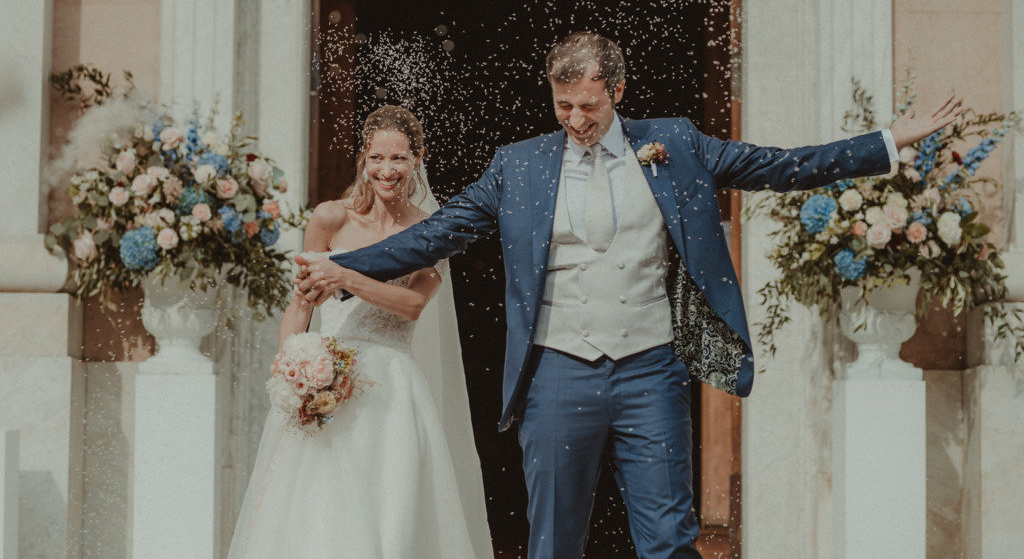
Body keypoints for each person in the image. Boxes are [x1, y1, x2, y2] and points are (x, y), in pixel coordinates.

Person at [295, 32, 961, 557]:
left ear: (618, 88)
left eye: (589, 104)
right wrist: (342, 266)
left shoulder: (675, 143)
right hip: (555, 370)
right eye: (563, 107)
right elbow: (436, 234)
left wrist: (885, 144)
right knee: (554, 540)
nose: (577, 119)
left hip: (650, 368)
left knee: (669, 538)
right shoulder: (518, 165)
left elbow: (779, 166)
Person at [228, 105, 492, 558]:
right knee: (321, 507)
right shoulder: (331, 218)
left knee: (393, 506)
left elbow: (411, 305)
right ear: (362, 160)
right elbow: (301, 305)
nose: (386, 171)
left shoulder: (429, 229)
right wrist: (290, 371)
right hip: (328, 379)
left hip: (393, 388)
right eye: (376, 159)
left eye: (398, 159)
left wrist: (345, 277)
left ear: (417, 159)